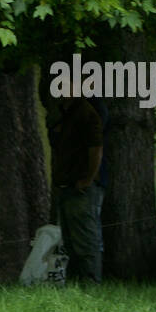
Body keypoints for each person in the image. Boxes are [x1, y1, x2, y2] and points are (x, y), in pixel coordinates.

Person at [48, 92, 105, 283]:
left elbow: (96, 147)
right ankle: (76, 285)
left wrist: (88, 178)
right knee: (71, 243)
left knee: (86, 241)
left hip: (80, 186)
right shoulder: (66, 113)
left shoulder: (86, 111)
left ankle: (90, 285)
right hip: (67, 184)